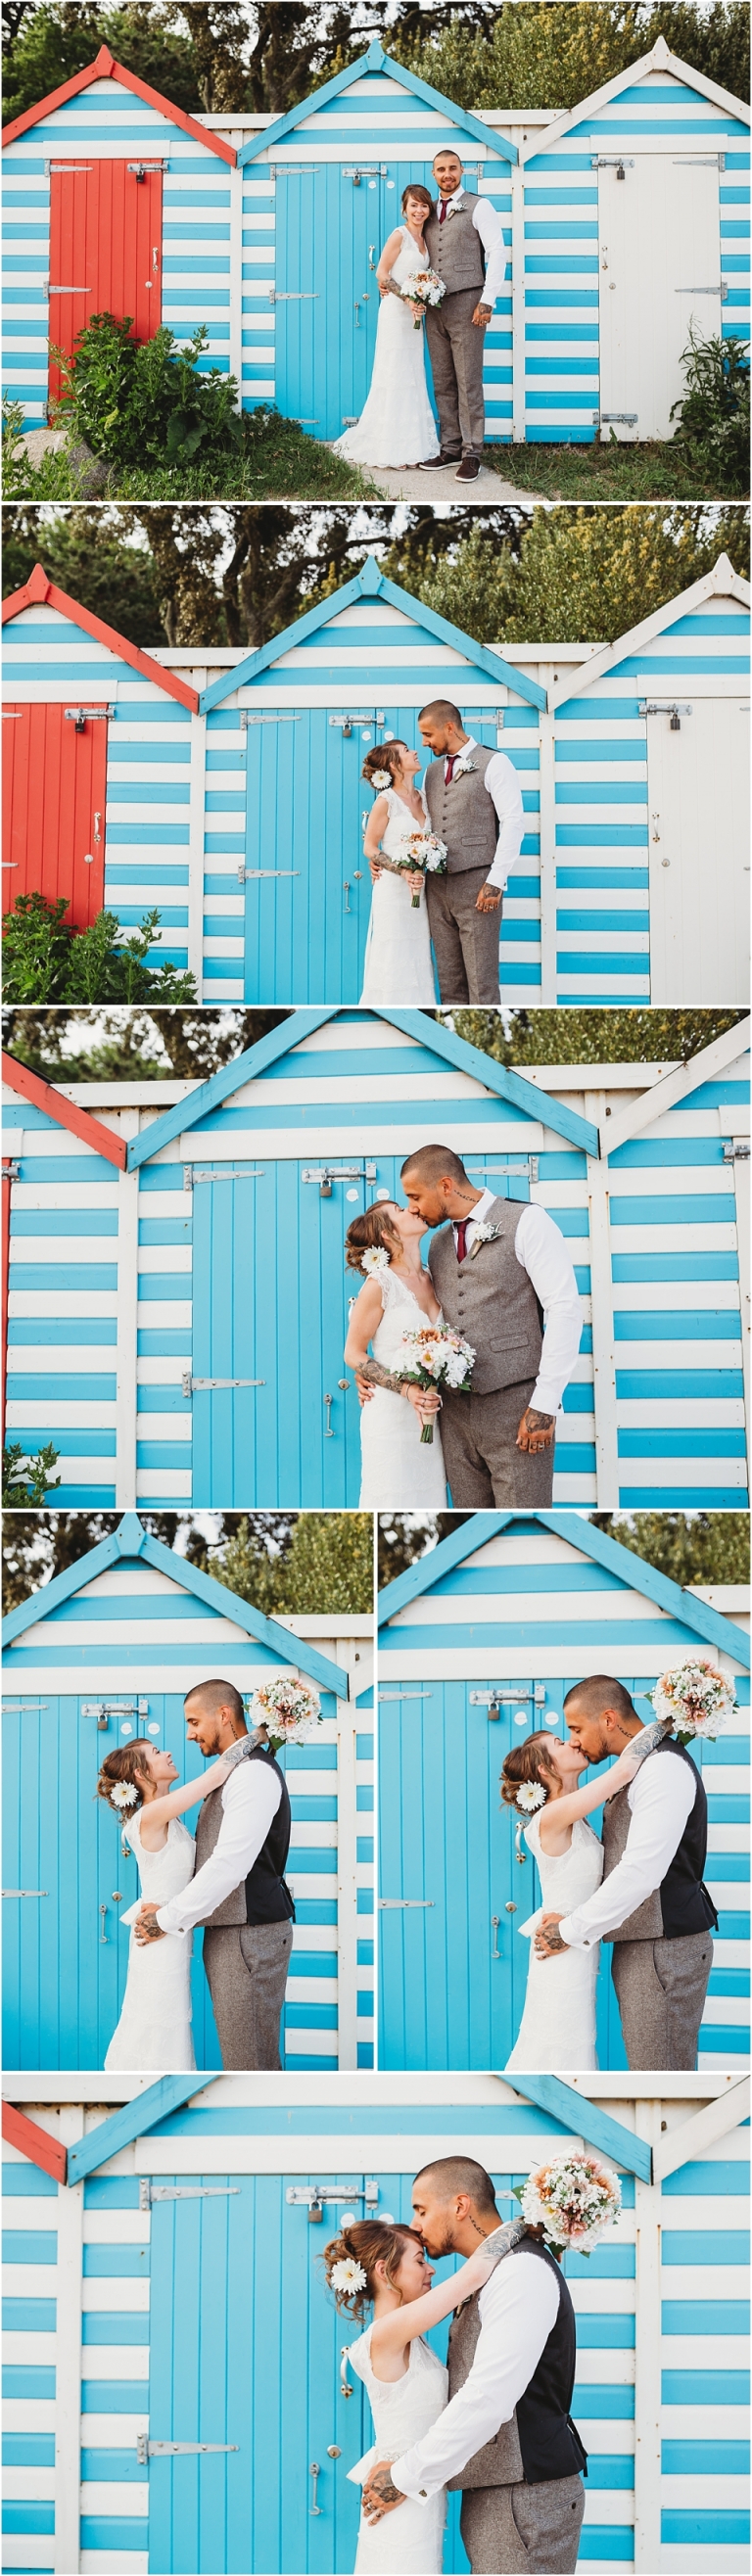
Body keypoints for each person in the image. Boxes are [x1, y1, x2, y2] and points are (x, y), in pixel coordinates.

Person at [360, 2156, 587, 2574]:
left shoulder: (520, 2270)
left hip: (524, 2492)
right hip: (502, 2489)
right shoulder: (493, 2269)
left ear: (460, 2206)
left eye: (422, 2210)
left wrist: (405, 2475)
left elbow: (488, 2397)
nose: (417, 2225)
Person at [533, 1675, 719, 2071]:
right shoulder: (638, 1766)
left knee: (661, 2077)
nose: (576, 1740)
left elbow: (640, 1871)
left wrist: (570, 1930)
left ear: (609, 1719)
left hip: (663, 1946)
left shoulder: (662, 1768)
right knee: (653, 2070)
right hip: (646, 1943)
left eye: (578, 1729)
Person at [326, 2214, 518, 2572]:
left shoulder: (410, 2337)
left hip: (416, 2490)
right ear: (384, 2271)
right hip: (401, 2497)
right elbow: (473, 2276)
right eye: (419, 2261)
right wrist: (530, 2220)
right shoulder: (386, 2334)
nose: (430, 2270)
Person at [399, 1143, 582, 1506]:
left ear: (446, 1186)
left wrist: (545, 1404)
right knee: (473, 1521)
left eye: (416, 1196)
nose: (412, 1208)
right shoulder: (436, 1245)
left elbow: (564, 1309)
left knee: (523, 1517)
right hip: (455, 1415)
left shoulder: (527, 1221)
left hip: (517, 1406)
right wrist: (371, 1368)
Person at [132, 1678, 295, 2071]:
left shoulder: (252, 1774)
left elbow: (229, 1864)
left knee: (249, 2063)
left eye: (193, 1722)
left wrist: (166, 1920)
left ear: (223, 1715)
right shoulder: (235, 1770)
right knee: (245, 2055)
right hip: (234, 1931)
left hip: (248, 1934)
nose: (188, 1735)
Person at [500, 1729, 644, 2070]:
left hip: (575, 1942)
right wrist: (667, 1721)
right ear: (544, 1771)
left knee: (570, 2035)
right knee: (559, 2038)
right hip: (561, 1950)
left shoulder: (573, 1815)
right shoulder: (550, 1817)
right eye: (560, 1744)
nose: (574, 1742)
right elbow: (623, 1772)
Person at [96, 1735, 236, 2070]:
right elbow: (214, 1777)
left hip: (169, 1929)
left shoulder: (167, 1817)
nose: (168, 1753)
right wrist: (261, 1734)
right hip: (158, 1938)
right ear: (142, 1775)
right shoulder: (151, 1815)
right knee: (158, 2015)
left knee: (164, 2013)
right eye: (157, 1753)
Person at [417, 701, 525, 1007]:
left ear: (449, 727)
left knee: (482, 986)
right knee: (449, 984)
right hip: (436, 889)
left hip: (478, 885)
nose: (424, 742)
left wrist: (495, 881)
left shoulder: (495, 762)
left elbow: (514, 823)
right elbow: (427, 822)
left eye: (428, 734)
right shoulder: (431, 772)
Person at [344, 1200, 446, 1507]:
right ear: (387, 1234)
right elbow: (353, 1353)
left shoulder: (434, 1277)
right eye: (400, 1210)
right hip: (390, 1418)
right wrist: (407, 1390)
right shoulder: (380, 1284)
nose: (412, 1209)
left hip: (430, 1417)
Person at [333, 183, 441, 469]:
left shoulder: (427, 238)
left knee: (412, 372)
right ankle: (391, 448)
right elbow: (382, 273)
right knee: (393, 371)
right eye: (413, 205)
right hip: (396, 311)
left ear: (429, 210)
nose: (419, 210)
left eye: (424, 205)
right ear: (404, 208)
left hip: (414, 313)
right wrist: (407, 298)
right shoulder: (399, 235)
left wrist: (424, 297)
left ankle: (413, 444)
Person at [419, 149, 507, 480]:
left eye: (452, 168)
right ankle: (450, 447)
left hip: (469, 304)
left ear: (462, 170)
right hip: (434, 307)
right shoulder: (427, 212)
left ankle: (473, 453)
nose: (447, 174)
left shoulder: (478, 205)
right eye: (440, 169)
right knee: (443, 380)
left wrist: (487, 300)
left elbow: (497, 252)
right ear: (433, 174)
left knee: (468, 380)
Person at [360, 739, 436, 1004]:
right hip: (393, 891)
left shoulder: (425, 798)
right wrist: (403, 871)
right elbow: (370, 848)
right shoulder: (386, 800)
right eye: (406, 751)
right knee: (393, 954)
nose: (415, 752)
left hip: (420, 890)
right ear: (394, 764)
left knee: (416, 954)